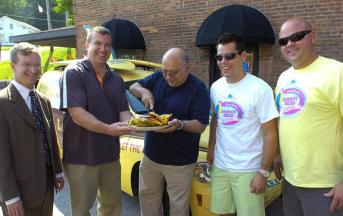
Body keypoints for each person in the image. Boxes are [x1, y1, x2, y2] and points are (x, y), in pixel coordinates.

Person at [59, 26, 133, 216]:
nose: (103, 49)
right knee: (82, 210)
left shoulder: (116, 79)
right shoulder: (74, 72)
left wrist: (140, 124)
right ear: (87, 45)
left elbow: (123, 112)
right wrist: (109, 129)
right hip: (81, 157)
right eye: (98, 43)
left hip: (110, 155)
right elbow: (77, 114)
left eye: (107, 45)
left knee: (111, 207)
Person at [129, 47, 210, 216]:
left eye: (173, 73)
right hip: (151, 157)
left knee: (178, 208)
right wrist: (144, 92)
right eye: (165, 71)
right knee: (148, 201)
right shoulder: (158, 77)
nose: (168, 77)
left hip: (180, 162)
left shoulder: (198, 89)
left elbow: (201, 124)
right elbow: (133, 87)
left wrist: (180, 124)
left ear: (188, 68)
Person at [275, 17, 343, 216]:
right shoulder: (284, 77)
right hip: (290, 180)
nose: (290, 44)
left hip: (326, 185)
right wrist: (278, 154)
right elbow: (286, 121)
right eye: (283, 41)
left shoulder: (336, 72)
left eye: (297, 36)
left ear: (312, 36)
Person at [207, 33, 279, 216]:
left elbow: (271, 133)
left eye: (230, 56)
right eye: (219, 57)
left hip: (248, 169)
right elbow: (216, 119)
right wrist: (210, 147)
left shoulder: (260, 89)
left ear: (243, 56)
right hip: (221, 167)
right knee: (224, 213)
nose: (223, 61)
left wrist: (263, 172)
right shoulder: (216, 87)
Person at [0, 42, 64, 216]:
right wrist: (10, 197)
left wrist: (57, 172)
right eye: (26, 64)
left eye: (36, 65)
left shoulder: (43, 99)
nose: (33, 70)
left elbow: (51, 139)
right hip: (20, 193)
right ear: (13, 66)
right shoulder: (2, 103)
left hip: (46, 186)